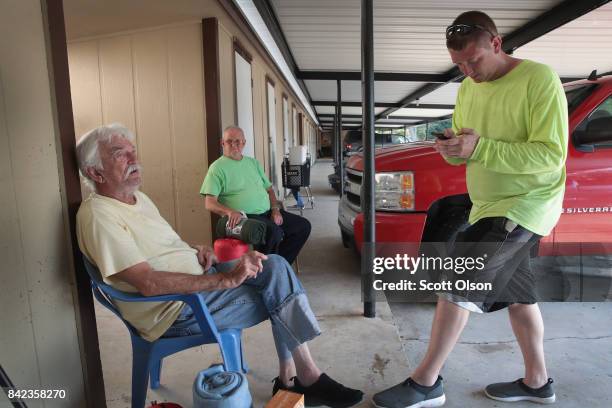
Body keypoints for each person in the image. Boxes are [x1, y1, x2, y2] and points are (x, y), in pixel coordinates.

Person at [75, 124, 363, 408]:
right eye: (119, 154)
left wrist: (196, 250)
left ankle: (294, 377)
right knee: (280, 288)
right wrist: (224, 280)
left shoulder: (139, 200)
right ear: (94, 172)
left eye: (133, 152)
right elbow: (147, 282)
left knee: (274, 266)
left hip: (199, 281)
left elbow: (161, 248)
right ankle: (302, 378)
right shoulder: (99, 215)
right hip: (177, 310)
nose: (134, 159)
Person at [373, 11, 567, 408]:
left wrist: (479, 148)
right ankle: (538, 383)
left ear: (496, 43)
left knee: (457, 281)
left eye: (474, 61)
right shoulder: (467, 89)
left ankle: (426, 383)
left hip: (526, 204)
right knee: (520, 297)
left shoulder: (538, 79)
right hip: (486, 204)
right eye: (459, 65)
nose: (468, 72)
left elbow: (551, 155)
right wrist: (453, 150)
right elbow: (467, 148)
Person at [201, 126, 311, 265]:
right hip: (245, 216)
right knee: (274, 233)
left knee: (303, 226)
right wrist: (229, 211)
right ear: (222, 143)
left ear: (244, 143)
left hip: (267, 213)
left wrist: (275, 210)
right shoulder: (217, 168)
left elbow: (270, 190)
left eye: (238, 141)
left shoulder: (253, 163)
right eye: (229, 141)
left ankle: (279, 266)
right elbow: (209, 203)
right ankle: (269, 271)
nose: (234, 145)